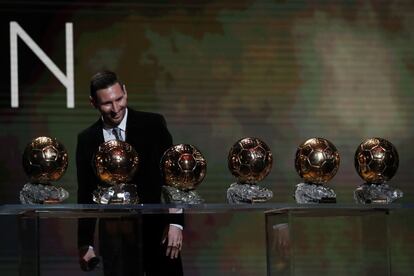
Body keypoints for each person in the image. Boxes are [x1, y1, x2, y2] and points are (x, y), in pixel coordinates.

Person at [76, 70, 184, 276]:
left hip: (157, 230)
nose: (116, 108)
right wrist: (85, 243)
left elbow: (172, 176)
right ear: (93, 103)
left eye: (119, 98)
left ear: (125, 91)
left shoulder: (153, 125)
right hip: (116, 236)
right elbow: (86, 193)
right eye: (107, 103)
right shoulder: (87, 139)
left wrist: (176, 222)